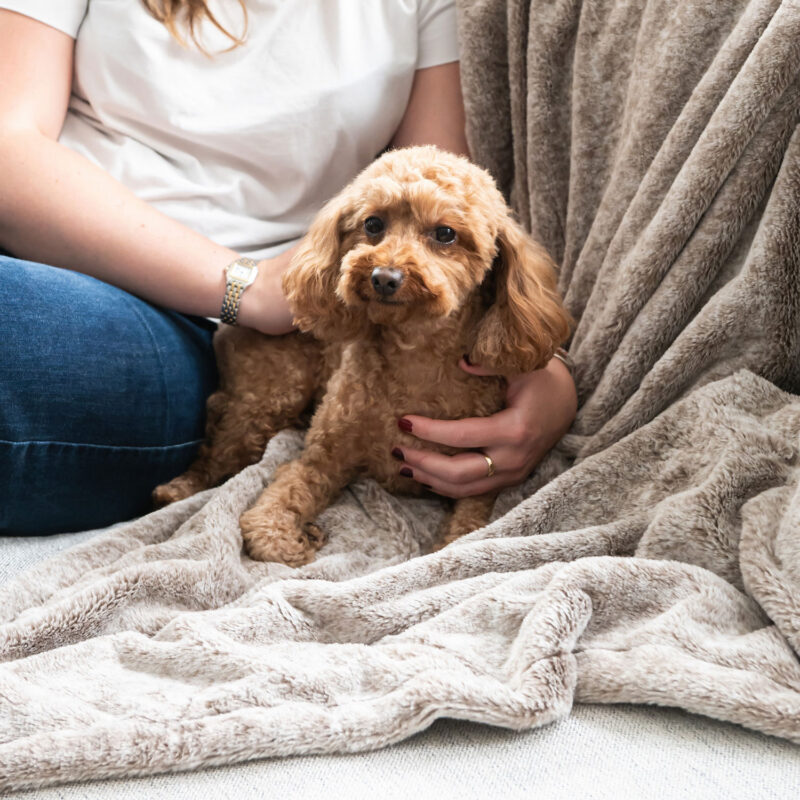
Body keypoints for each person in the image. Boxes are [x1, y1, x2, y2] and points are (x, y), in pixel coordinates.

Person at [0, 0, 577, 535]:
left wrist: (536, 368)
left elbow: (443, 201)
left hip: (217, 334)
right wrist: (246, 286)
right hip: (72, 272)